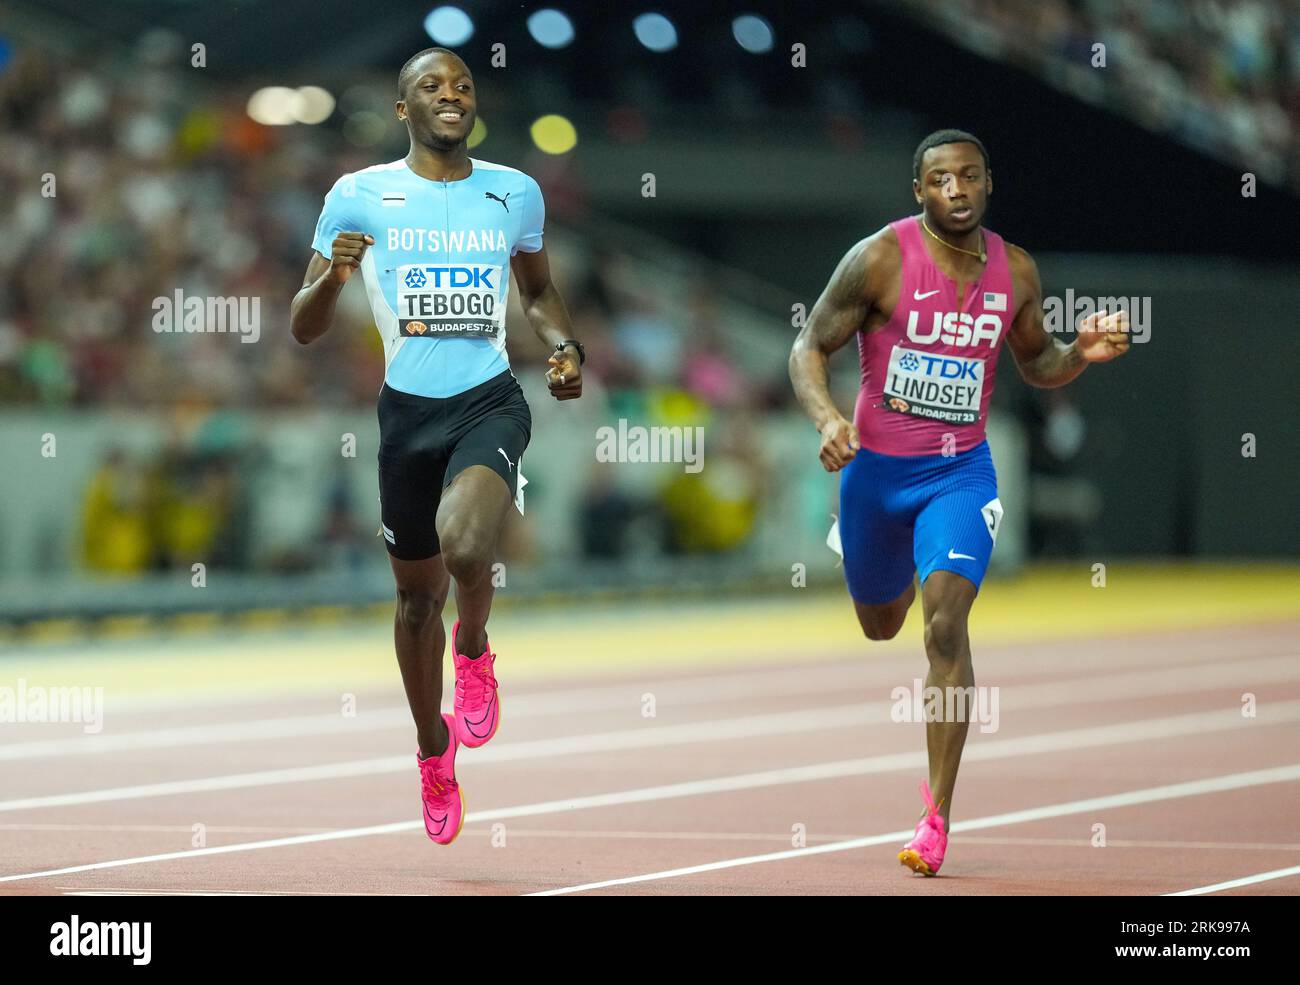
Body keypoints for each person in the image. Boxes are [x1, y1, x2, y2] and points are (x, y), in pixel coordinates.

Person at [788, 129, 1130, 875]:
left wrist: (1079, 354)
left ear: (987, 183)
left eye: (969, 177)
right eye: (941, 179)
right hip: (876, 475)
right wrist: (827, 420)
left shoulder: (1018, 272)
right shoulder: (879, 258)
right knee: (882, 625)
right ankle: (898, 556)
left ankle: (936, 814)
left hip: (961, 475)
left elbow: (1036, 359)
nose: (956, 189)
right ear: (919, 189)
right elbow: (808, 347)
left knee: (946, 623)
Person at [290, 47, 585, 846]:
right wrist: (330, 280)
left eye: (461, 85)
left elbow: (539, 290)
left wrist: (565, 346)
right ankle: (432, 751)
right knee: (415, 598)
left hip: (489, 401)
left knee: (465, 545)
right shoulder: (358, 196)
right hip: (405, 419)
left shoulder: (512, 191)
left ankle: (477, 649)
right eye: (432, 86)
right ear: (402, 109)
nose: (450, 95)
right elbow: (304, 326)